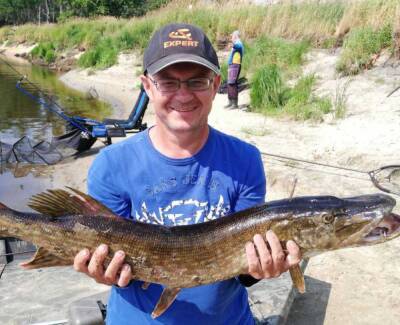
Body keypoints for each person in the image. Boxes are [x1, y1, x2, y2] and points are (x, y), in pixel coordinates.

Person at [74, 23, 301, 324]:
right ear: (147, 86)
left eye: (196, 82)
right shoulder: (111, 165)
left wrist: (262, 269)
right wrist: (103, 272)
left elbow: (243, 272)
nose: (183, 95)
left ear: (216, 84)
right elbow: (115, 268)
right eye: (168, 82)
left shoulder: (245, 160)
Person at [225, 30, 244, 109]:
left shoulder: (238, 43)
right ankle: (230, 102)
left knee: (232, 83)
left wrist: (233, 45)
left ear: (235, 36)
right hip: (232, 65)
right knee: (230, 83)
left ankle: (234, 103)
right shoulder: (236, 43)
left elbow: (238, 47)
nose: (231, 37)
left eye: (232, 36)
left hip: (235, 65)